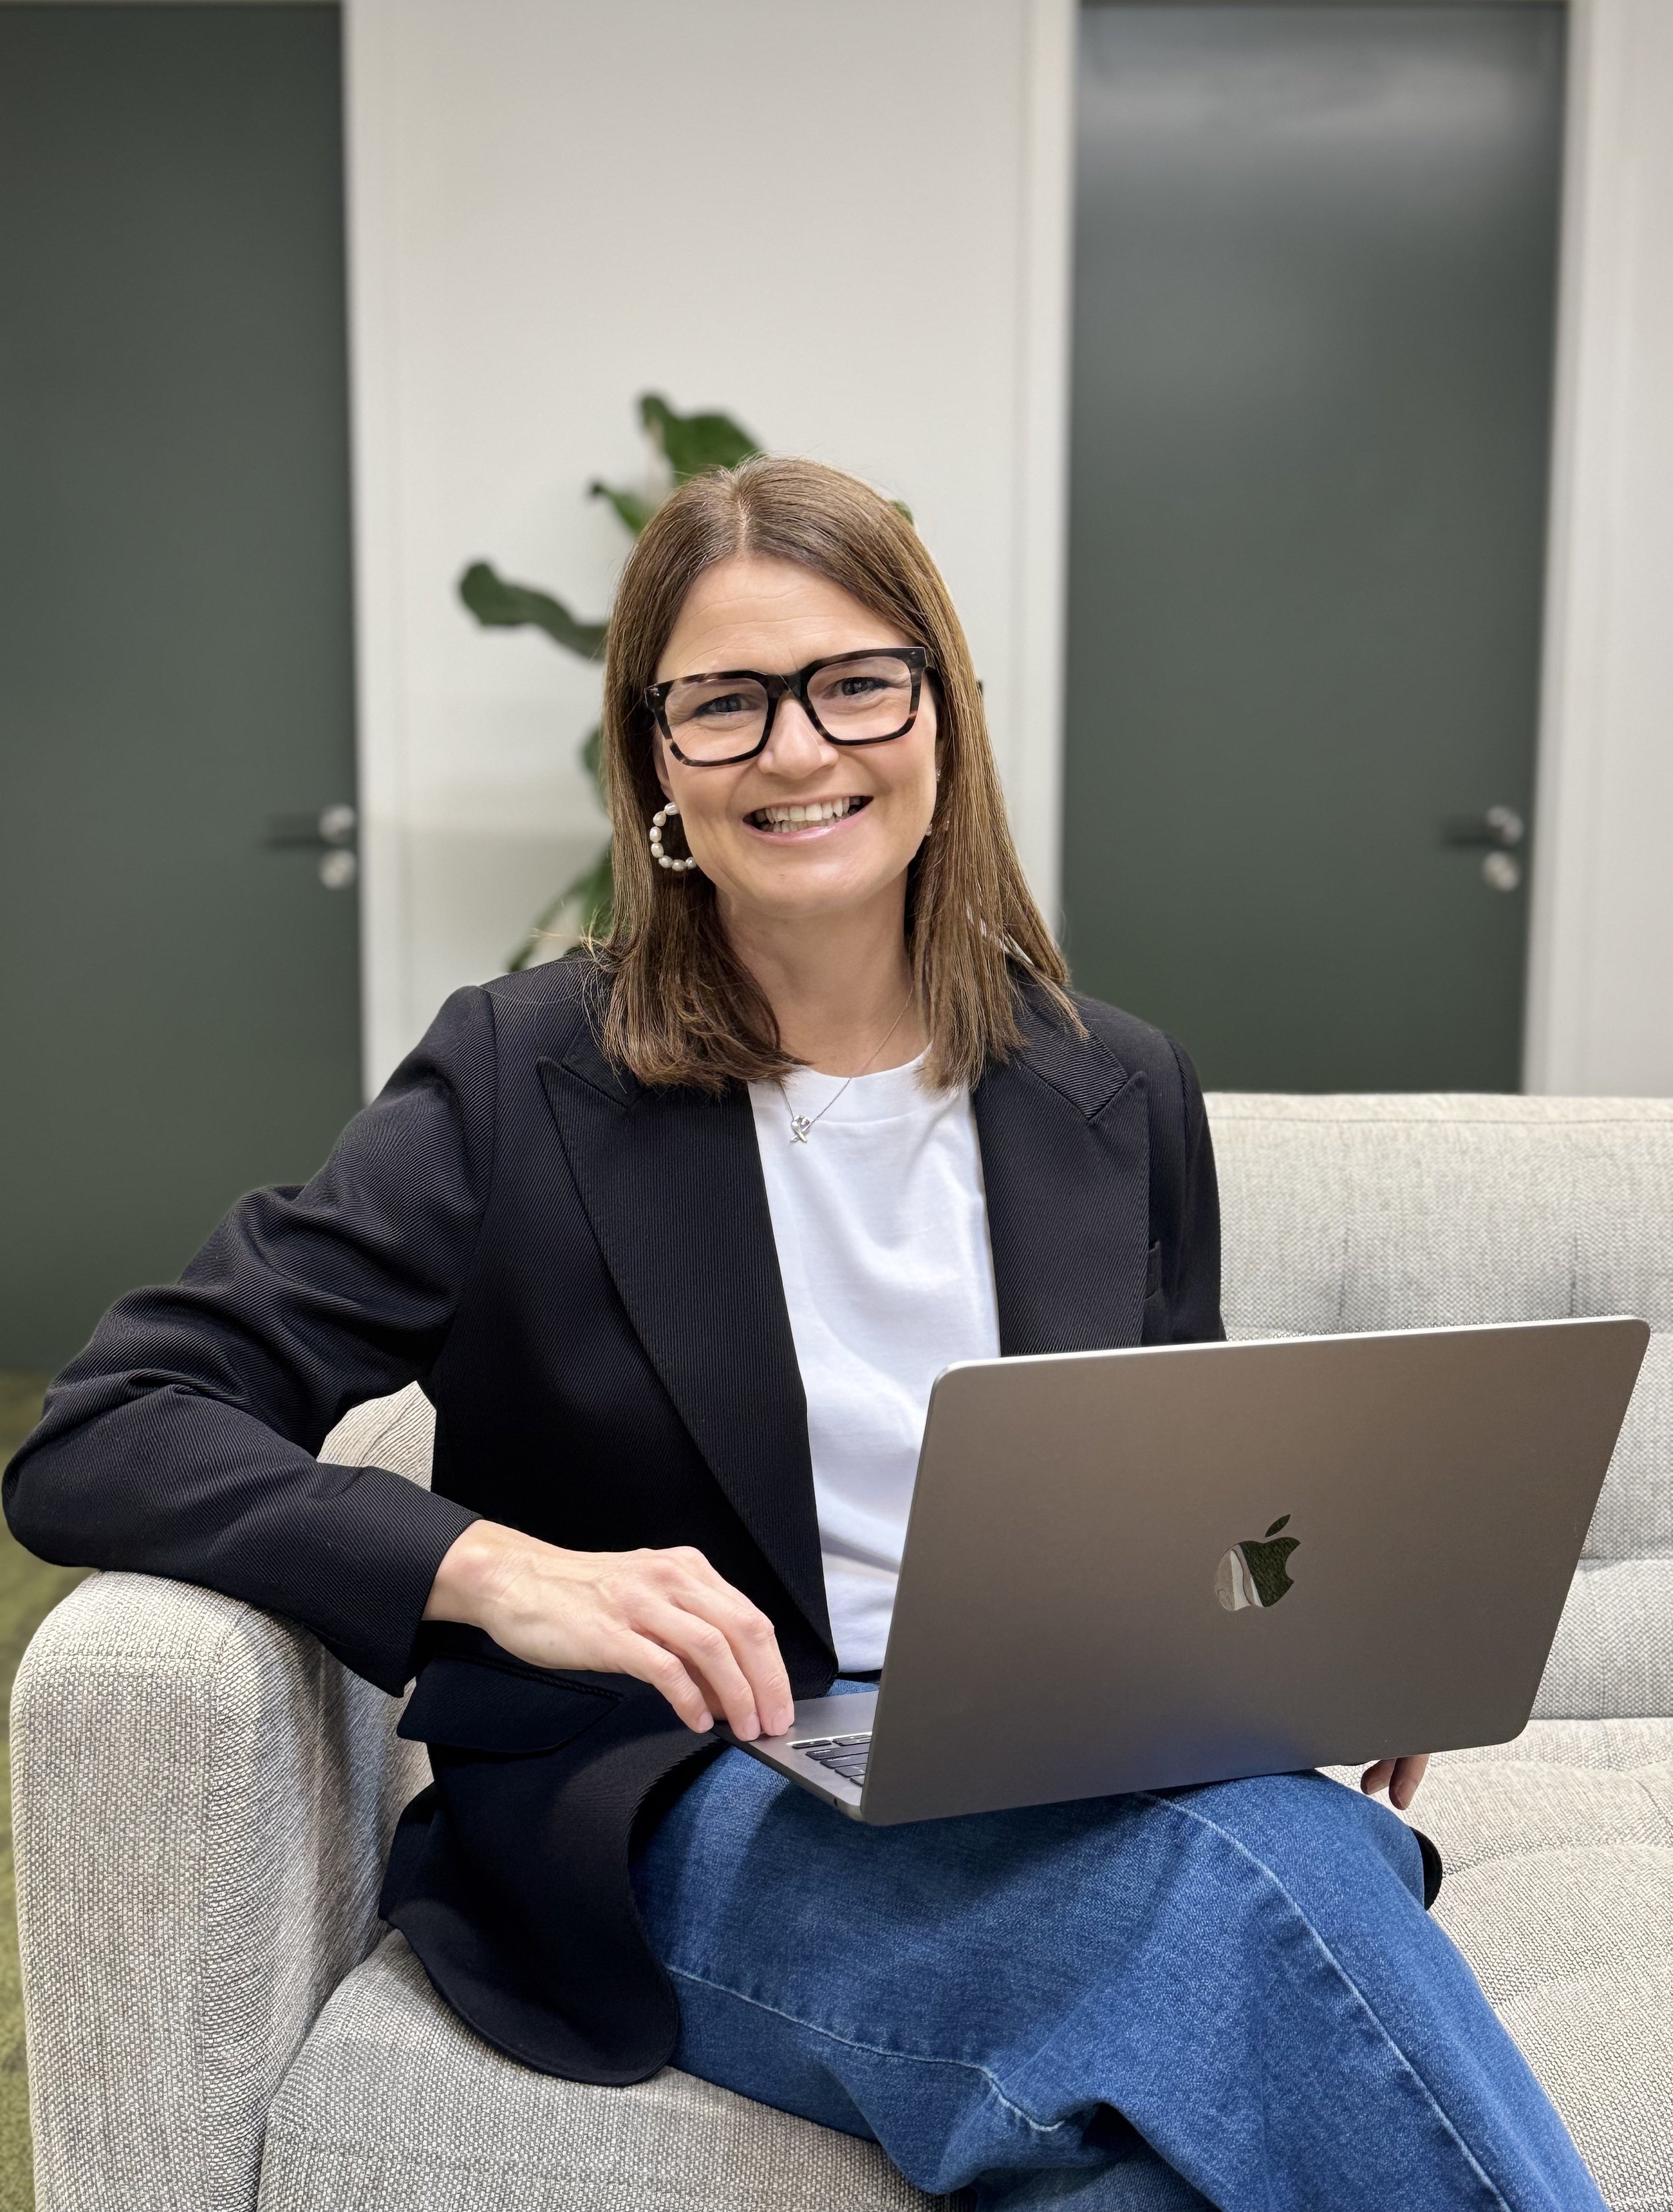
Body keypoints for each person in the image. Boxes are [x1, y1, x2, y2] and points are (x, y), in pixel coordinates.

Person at [5, 459, 1603, 2210]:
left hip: (1063, 1775)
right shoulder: (514, 1080)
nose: (795, 747)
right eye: (723, 703)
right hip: (685, 1807)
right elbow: (108, 1425)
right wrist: (488, 1568)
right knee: (1266, 1877)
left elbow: (1193, 1489)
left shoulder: (1112, 1084)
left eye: (854, 681)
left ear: (940, 717)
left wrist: (1305, 1648)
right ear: (656, 760)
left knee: (1152, 2117)